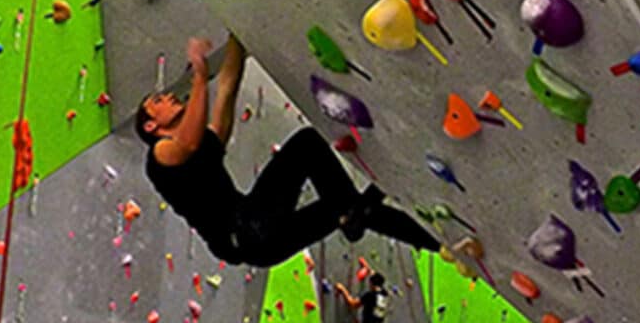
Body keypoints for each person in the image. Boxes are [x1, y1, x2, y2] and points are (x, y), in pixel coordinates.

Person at [135, 35, 442, 267]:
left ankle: (436, 244)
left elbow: (227, 88)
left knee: (347, 207)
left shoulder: (204, 146)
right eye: (158, 102)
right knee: (308, 144)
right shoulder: (160, 157)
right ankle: (355, 214)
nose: (169, 98)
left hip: (259, 244)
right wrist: (200, 75)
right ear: (151, 126)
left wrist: (236, 36)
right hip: (245, 230)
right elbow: (186, 142)